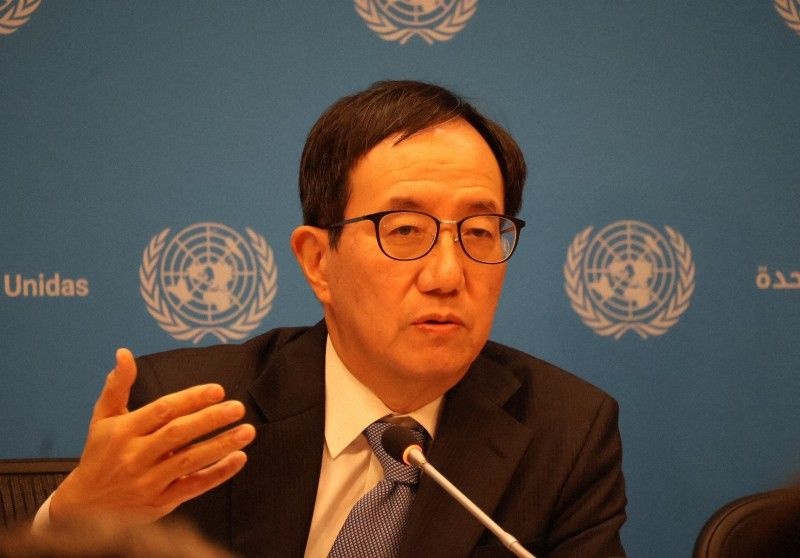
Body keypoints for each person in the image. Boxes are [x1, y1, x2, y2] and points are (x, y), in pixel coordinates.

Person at [38, 80, 627, 557]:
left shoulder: (566, 434)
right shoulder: (191, 417)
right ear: (318, 261)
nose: (448, 275)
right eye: (405, 230)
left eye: (478, 231)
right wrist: (73, 522)